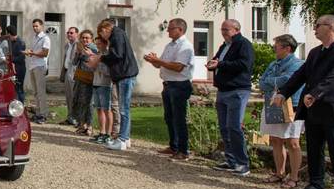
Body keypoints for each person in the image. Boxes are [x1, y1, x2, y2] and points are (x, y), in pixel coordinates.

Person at [273, 15, 334, 189]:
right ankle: (316, 184)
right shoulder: (315, 52)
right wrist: (284, 93)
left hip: (332, 107)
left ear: (331, 27)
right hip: (313, 108)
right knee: (314, 147)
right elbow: (301, 75)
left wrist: (316, 93)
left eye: (318, 25)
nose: (314, 28)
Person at [207, 19, 255, 176]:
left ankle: (243, 163)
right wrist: (212, 63)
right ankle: (231, 160)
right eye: (222, 29)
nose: (223, 32)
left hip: (237, 90)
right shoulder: (225, 46)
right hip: (223, 90)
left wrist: (220, 65)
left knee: (234, 127)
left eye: (226, 29)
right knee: (224, 127)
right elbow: (218, 60)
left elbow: (244, 64)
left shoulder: (243, 44)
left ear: (236, 30)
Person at [143, 18, 195, 160]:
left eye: (171, 28)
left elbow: (178, 67)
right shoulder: (170, 45)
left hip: (179, 85)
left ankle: (183, 150)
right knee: (169, 117)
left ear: (180, 30)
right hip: (168, 84)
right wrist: (154, 60)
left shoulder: (185, 46)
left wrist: (158, 61)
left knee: (179, 118)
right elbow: (161, 65)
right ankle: (174, 146)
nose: (168, 30)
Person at [259, 34, 304, 189]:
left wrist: (270, 82)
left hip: (292, 105)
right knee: (275, 139)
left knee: (292, 141)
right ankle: (279, 173)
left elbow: (288, 80)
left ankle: (294, 177)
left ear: (287, 48)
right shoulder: (273, 64)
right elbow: (261, 82)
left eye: (276, 46)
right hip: (273, 103)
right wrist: (272, 82)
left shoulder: (297, 64)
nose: (273, 49)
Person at [87, 19, 139, 151]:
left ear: (105, 30)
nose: (103, 38)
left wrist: (100, 58)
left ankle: (122, 140)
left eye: (101, 34)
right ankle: (125, 138)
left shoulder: (117, 35)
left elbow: (117, 55)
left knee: (123, 109)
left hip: (125, 75)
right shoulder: (118, 34)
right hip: (123, 75)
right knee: (124, 108)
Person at [70, 30, 97, 135]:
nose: (85, 40)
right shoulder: (80, 48)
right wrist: (78, 53)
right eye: (83, 38)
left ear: (91, 39)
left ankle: (89, 126)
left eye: (87, 38)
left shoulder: (93, 48)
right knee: (80, 101)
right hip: (80, 78)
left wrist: (83, 53)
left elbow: (91, 61)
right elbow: (74, 62)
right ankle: (82, 124)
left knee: (89, 103)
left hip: (89, 79)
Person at [24, 18, 50, 123]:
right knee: (35, 92)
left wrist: (32, 53)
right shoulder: (34, 38)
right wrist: (29, 52)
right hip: (33, 66)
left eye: (37, 26)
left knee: (41, 92)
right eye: (33, 26)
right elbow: (35, 51)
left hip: (40, 66)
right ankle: (38, 113)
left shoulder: (45, 38)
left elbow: (45, 53)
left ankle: (43, 114)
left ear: (41, 26)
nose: (35, 28)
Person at [89, 36, 114, 145]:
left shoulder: (108, 55)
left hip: (105, 84)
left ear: (105, 44)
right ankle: (102, 132)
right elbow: (93, 68)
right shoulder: (98, 55)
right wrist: (92, 64)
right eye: (96, 44)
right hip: (96, 83)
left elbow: (109, 72)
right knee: (99, 109)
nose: (97, 46)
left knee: (107, 109)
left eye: (99, 44)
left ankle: (108, 134)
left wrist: (97, 63)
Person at [61, 27, 79, 125]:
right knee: (68, 96)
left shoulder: (78, 45)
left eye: (71, 33)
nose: (69, 34)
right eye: (68, 33)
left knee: (74, 96)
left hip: (74, 72)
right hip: (67, 71)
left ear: (77, 34)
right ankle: (70, 117)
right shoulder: (67, 45)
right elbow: (66, 59)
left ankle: (75, 118)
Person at [4, 25, 26, 102]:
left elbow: (21, 57)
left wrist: (11, 60)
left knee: (19, 88)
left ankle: (21, 106)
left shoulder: (20, 42)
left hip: (19, 69)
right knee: (14, 88)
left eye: (8, 34)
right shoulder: (11, 42)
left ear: (10, 34)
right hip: (13, 68)